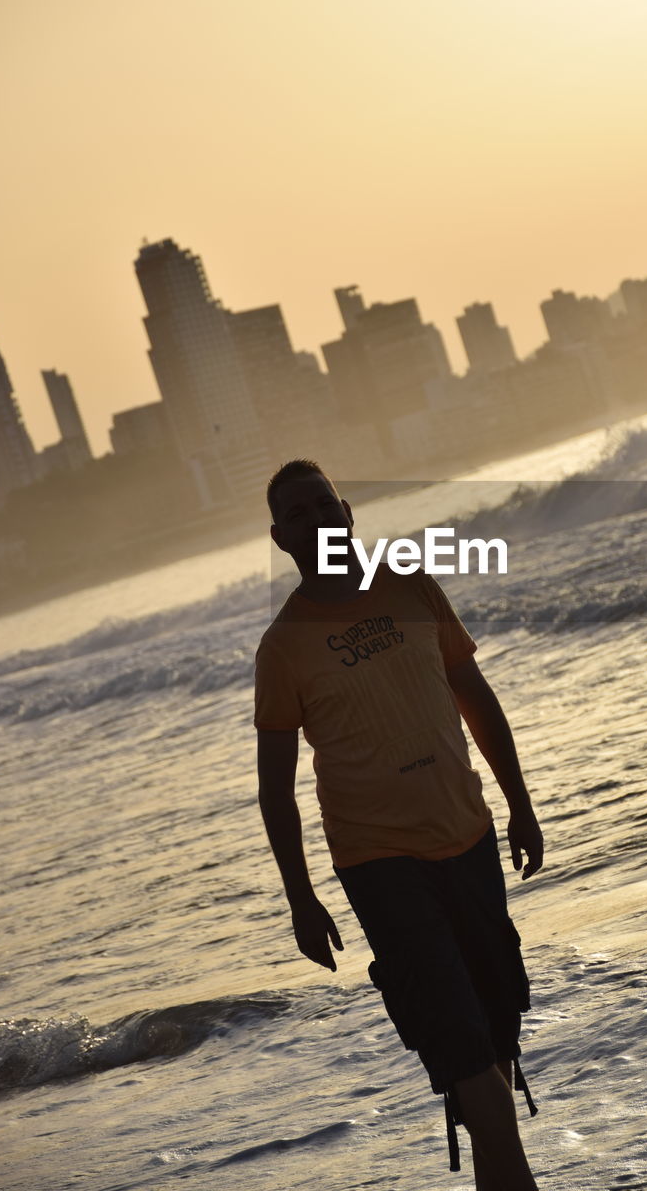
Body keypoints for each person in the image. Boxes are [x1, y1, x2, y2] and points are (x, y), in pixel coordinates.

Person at [254, 459, 544, 1189]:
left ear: (347, 511)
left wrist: (519, 802)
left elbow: (472, 692)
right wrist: (299, 897)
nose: (315, 518)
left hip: (469, 838)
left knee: (493, 1046)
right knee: (463, 1055)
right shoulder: (283, 646)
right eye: (297, 513)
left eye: (324, 504)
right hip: (380, 865)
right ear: (280, 538)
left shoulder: (411, 586)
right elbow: (275, 789)